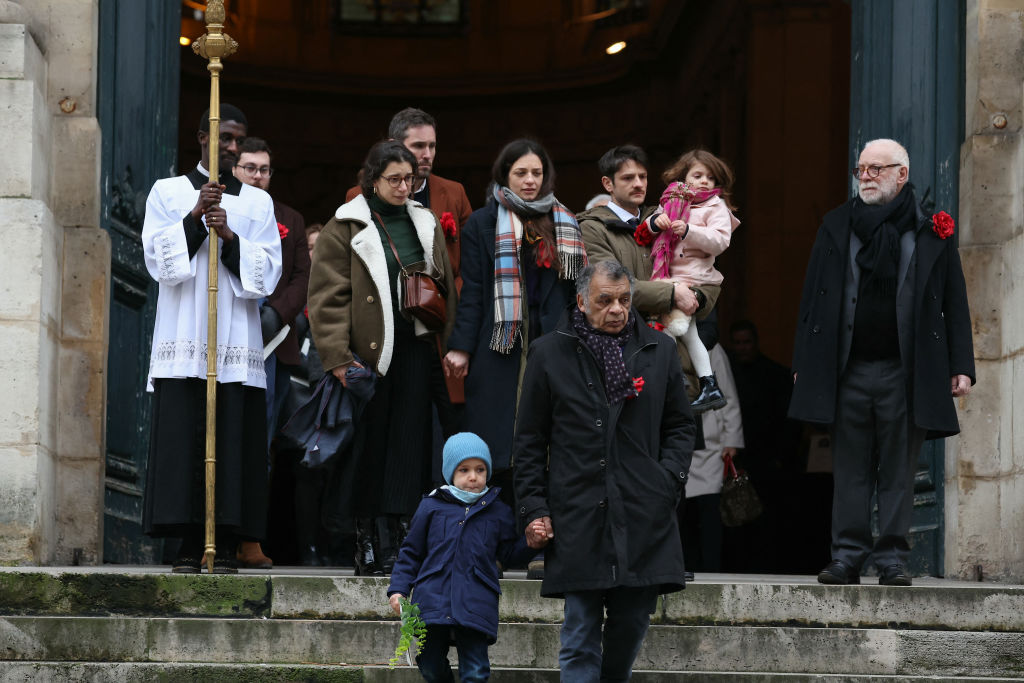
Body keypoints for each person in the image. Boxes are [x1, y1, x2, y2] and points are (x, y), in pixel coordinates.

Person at [790, 138, 975, 587]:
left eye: (876, 169)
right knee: (850, 470)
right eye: (861, 169)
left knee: (898, 470)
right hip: (847, 369)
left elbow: (954, 300)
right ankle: (847, 557)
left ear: (901, 174)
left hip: (906, 371)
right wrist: (804, 362)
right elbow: (812, 298)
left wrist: (961, 364)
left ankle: (892, 559)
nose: (866, 177)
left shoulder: (933, 230)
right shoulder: (836, 224)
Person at [514, 259, 695, 682]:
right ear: (581, 301)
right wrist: (534, 508)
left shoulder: (659, 349)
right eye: (605, 300)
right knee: (579, 629)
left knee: (631, 624)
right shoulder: (548, 352)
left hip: (642, 507)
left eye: (625, 301)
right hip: (577, 508)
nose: (617, 309)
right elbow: (528, 441)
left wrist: (668, 480)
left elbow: (681, 426)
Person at [141, 104, 283, 573]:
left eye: (239, 139)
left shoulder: (258, 203)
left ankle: (223, 541)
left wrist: (232, 238)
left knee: (231, 437)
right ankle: (185, 542)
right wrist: (196, 218)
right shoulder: (167, 192)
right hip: (185, 332)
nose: (233, 147)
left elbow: (268, 274)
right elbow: (159, 262)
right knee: (186, 435)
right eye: (225, 137)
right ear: (202, 137)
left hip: (234, 339)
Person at [308, 140, 456, 575]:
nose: (403, 187)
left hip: (416, 348)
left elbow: (445, 281)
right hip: (366, 358)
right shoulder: (346, 225)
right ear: (373, 179)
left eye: (409, 179)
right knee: (368, 451)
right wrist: (336, 358)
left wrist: (443, 340)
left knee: (409, 449)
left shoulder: (424, 220)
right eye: (394, 179)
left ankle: (402, 545)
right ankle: (368, 543)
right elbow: (327, 298)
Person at [443, 138, 586, 486]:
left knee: (552, 431)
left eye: (537, 172)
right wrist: (460, 346)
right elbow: (473, 289)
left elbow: (576, 291)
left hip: (553, 337)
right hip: (502, 339)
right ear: (504, 175)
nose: (530, 180)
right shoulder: (481, 223)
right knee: (500, 438)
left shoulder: (564, 221)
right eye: (520, 172)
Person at [387, 432, 539, 683]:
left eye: (480, 469)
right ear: (451, 473)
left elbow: (509, 554)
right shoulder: (431, 506)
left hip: (476, 600)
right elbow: (411, 553)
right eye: (464, 469)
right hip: (432, 599)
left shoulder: (498, 511)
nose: (473, 477)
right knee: (429, 663)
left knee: (476, 669)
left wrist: (532, 542)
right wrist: (398, 589)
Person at [577, 145, 720, 406]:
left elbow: (702, 271)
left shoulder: (667, 217)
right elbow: (610, 289)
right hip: (625, 362)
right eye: (628, 178)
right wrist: (673, 293)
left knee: (678, 444)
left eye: (642, 177)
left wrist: (697, 295)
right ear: (608, 184)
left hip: (679, 367)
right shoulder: (592, 228)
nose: (638, 184)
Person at [230, 136, 311, 570]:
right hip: (223, 341)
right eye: (249, 167)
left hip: (273, 345)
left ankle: (249, 538)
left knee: (260, 445)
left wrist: (275, 315)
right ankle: (212, 533)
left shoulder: (290, 219)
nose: (257, 175)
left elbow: (301, 277)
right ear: (235, 169)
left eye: (263, 169)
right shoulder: (220, 208)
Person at [647, 150, 741, 412]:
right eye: (697, 175)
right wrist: (656, 222)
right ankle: (707, 384)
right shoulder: (670, 201)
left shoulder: (716, 206)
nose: (704, 182)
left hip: (695, 279)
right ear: (683, 177)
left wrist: (689, 230)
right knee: (686, 334)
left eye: (710, 178)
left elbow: (720, 241)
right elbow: (645, 232)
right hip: (669, 278)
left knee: (674, 330)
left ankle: (681, 381)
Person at [683, 341, 743, 572]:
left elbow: (727, 393)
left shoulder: (712, 348)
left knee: (710, 514)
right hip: (679, 442)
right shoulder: (661, 338)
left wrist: (731, 440)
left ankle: (711, 570)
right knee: (682, 513)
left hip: (711, 443)